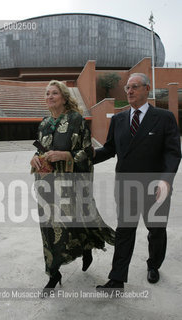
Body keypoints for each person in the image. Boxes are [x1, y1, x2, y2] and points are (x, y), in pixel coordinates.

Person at [94, 73, 181, 291]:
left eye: (135, 87)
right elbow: (109, 149)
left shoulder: (164, 117)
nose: (130, 91)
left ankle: (153, 265)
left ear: (146, 89)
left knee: (156, 230)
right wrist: (82, 157)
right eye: (127, 88)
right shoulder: (119, 119)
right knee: (125, 230)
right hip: (126, 187)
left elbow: (173, 153)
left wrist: (166, 181)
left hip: (155, 188)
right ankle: (117, 278)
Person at [30, 80, 115, 295]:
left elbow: (87, 152)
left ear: (64, 97)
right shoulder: (44, 123)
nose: (49, 96)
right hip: (46, 187)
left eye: (54, 93)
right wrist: (34, 159)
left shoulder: (76, 120)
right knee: (49, 230)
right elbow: (40, 149)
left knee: (76, 224)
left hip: (70, 186)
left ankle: (86, 248)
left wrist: (66, 155)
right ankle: (53, 272)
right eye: (47, 93)